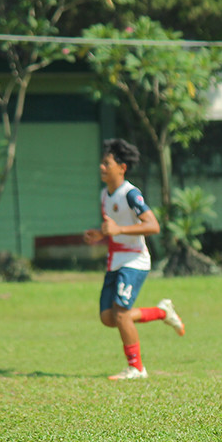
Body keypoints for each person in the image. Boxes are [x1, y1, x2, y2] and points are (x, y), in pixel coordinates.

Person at [84, 138, 185, 380]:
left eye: (106, 163)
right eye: (101, 163)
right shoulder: (104, 195)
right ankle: (162, 312)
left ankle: (137, 368)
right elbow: (116, 228)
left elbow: (153, 225)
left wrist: (118, 230)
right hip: (115, 260)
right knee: (108, 318)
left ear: (122, 167)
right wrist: (101, 234)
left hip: (134, 261)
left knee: (121, 315)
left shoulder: (131, 194)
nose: (101, 167)